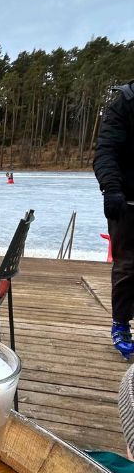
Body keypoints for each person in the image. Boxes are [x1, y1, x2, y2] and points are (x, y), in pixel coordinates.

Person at [93, 80, 134, 358]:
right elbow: (105, 150)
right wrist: (112, 189)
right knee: (128, 265)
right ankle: (120, 322)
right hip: (127, 200)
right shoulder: (126, 101)